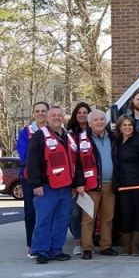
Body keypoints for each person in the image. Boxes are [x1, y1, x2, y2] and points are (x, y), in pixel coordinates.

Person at [26, 106, 80, 264]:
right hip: (46, 187)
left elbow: (75, 163)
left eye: (59, 115)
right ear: (48, 119)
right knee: (44, 220)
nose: (57, 118)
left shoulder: (68, 137)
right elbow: (32, 161)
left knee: (62, 220)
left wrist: (76, 185)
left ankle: (56, 249)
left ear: (63, 118)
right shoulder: (39, 136)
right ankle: (41, 251)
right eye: (53, 115)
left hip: (66, 187)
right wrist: (36, 184)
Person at [76, 109, 119, 259]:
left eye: (102, 119)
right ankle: (87, 248)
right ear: (89, 123)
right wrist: (79, 183)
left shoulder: (113, 138)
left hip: (110, 185)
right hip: (90, 185)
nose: (100, 122)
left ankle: (105, 246)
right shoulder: (81, 139)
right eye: (96, 120)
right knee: (88, 219)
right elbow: (77, 164)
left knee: (108, 218)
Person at [113, 115, 139, 256]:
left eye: (130, 125)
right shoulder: (116, 142)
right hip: (122, 185)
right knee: (125, 215)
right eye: (124, 125)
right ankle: (126, 245)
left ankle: (136, 246)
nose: (127, 127)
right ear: (119, 127)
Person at [16, 101, 48, 259]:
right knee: (31, 212)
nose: (41, 113)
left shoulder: (54, 131)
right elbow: (25, 155)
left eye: (43, 111)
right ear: (33, 113)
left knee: (48, 212)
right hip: (30, 178)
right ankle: (32, 244)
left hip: (50, 178)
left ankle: (46, 243)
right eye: (38, 111)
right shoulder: (25, 132)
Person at [66, 102, 91, 257]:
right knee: (74, 212)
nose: (82, 114)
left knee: (89, 211)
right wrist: (75, 183)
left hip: (92, 179)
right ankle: (77, 242)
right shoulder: (69, 134)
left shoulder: (95, 131)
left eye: (85, 112)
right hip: (75, 180)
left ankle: (89, 241)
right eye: (79, 112)